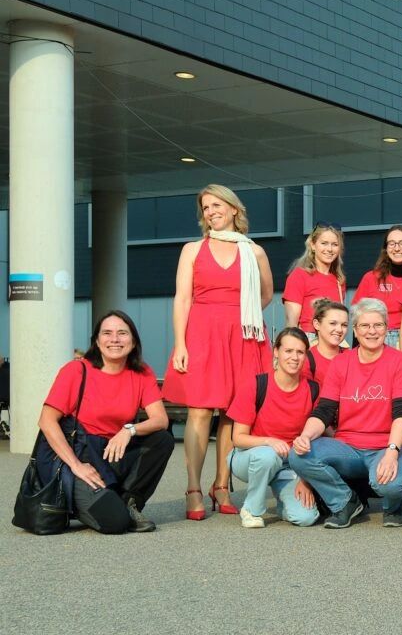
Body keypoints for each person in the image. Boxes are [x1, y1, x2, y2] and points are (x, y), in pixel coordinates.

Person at [164, 184, 275, 520]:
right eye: (205, 207)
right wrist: (180, 343)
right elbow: (182, 299)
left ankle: (222, 485)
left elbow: (266, 294)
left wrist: (242, 315)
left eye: (216, 205)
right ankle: (194, 487)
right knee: (199, 411)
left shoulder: (254, 252)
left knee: (233, 411)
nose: (211, 211)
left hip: (243, 336)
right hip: (202, 334)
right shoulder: (193, 250)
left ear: (234, 209)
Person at [37, 311, 173, 534]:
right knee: (115, 523)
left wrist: (129, 430)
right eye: (107, 333)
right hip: (80, 455)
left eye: (122, 333)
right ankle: (92, 504)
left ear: (133, 340)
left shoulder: (141, 372)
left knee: (162, 440)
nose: (115, 339)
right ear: (97, 341)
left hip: (112, 451)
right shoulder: (76, 370)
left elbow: (160, 420)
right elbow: (46, 421)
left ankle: (129, 504)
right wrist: (76, 466)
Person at [289, 298, 402, 529]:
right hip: (349, 446)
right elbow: (324, 411)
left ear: (386, 329)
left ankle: (393, 506)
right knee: (299, 455)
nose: (372, 331)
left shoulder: (400, 361)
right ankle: (345, 502)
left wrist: (391, 452)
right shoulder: (341, 363)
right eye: (365, 326)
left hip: (388, 444)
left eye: (378, 325)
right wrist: (306, 436)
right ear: (356, 331)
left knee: (389, 485)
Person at [227, 327, 322, 528]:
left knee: (305, 518)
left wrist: (305, 479)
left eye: (300, 352)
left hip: (289, 464)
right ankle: (251, 510)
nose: (294, 357)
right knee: (267, 456)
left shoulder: (312, 390)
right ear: (276, 352)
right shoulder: (256, 384)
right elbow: (238, 438)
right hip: (250, 457)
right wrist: (269, 441)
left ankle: (284, 505)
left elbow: (319, 438)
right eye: (288, 351)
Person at [353, 226, 402, 349]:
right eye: (391, 244)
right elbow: (358, 317)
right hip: (377, 340)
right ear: (385, 249)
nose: (397, 248)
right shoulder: (371, 278)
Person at [282, 224, 345, 331]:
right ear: (313, 245)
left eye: (334, 244)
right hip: (309, 339)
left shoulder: (339, 280)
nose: (329, 249)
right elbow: (291, 322)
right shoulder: (299, 275)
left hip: (334, 340)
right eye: (324, 243)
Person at [304, 299, 348, 385]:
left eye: (344, 325)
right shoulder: (306, 360)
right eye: (333, 323)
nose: (339, 330)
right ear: (317, 324)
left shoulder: (351, 357)